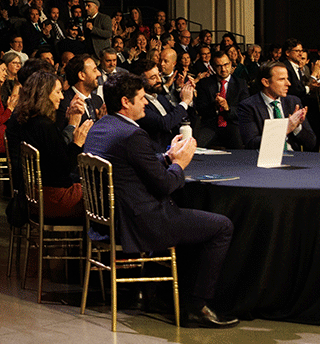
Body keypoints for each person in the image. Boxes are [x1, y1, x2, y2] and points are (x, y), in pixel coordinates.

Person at [81, 70, 236, 328]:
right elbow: (165, 185)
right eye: (141, 98)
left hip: (107, 220)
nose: (145, 102)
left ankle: (160, 295)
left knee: (193, 221)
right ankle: (196, 307)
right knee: (222, 226)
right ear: (125, 102)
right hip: (141, 222)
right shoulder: (133, 135)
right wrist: (180, 164)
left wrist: (166, 157)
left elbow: (132, 166)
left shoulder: (101, 127)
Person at [5, 67, 93, 219]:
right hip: (52, 198)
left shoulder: (30, 121)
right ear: (45, 94)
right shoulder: (44, 126)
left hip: (33, 194)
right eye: (58, 92)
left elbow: (53, 153)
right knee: (100, 200)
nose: (61, 96)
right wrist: (77, 143)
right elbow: (63, 169)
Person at [235, 62, 316, 151]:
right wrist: (285, 129)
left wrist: (297, 128)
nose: (288, 83)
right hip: (264, 160)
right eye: (281, 79)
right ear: (266, 82)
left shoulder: (293, 102)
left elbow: (311, 143)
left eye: (287, 79)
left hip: (293, 157)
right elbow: (251, 143)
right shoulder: (248, 106)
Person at [190, 52, 246, 149]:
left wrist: (227, 108)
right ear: (212, 67)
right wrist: (215, 106)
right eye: (219, 66)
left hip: (232, 124)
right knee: (195, 148)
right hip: (210, 125)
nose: (223, 69)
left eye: (226, 65)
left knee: (240, 148)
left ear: (231, 64)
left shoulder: (241, 84)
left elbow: (244, 111)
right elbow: (200, 109)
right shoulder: (205, 84)